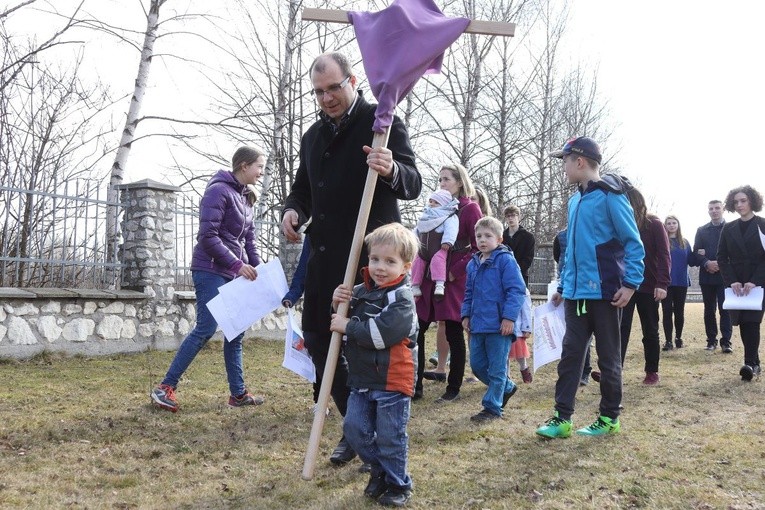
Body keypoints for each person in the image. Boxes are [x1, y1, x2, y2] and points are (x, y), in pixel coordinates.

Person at [281, 51, 421, 466]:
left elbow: (412, 183)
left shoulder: (382, 122)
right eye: (319, 92)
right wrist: (293, 211)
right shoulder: (312, 137)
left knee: (364, 348)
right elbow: (302, 190)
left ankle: (374, 432)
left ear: (353, 81)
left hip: (369, 262)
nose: (326, 98)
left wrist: (391, 167)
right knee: (322, 341)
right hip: (325, 260)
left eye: (334, 88)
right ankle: (352, 427)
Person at [535, 136, 644, 439]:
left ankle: (609, 417)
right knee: (571, 355)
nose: (564, 168)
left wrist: (631, 285)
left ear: (579, 162)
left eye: (565, 162)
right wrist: (564, 285)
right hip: (575, 296)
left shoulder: (611, 197)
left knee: (608, 359)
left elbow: (633, 243)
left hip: (607, 295)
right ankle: (561, 417)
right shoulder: (574, 201)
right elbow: (570, 249)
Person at [151, 146, 267, 413]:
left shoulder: (246, 197)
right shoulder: (218, 191)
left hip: (232, 273)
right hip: (210, 270)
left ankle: (237, 395)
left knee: (235, 332)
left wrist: (261, 271)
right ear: (244, 166)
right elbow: (208, 237)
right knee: (205, 328)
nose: (261, 173)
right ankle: (165, 388)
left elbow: (249, 240)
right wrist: (238, 265)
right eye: (259, 167)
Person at [329, 223, 419, 507]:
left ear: (404, 267)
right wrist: (337, 304)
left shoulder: (402, 299)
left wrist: (347, 326)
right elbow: (340, 318)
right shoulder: (359, 291)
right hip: (362, 378)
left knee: (391, 437)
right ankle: (379, 470)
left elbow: (381, 335)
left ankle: (398, 484)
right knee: (354, 429)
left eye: (390, 262)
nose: (380, 267)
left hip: (393, 379)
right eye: (375, 259)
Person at [416, 163, 482, 403]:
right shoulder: (436, 206)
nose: (442, 183)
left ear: (460, 181)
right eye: (440, 179)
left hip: (453, 279)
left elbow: (478, 247)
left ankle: (453, 388)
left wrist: (455, 271)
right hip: (428, 276)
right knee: (418, 328)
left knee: (454, 331)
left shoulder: (470, 208)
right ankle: (415, 385)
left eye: (447, 179)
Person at [462, 216, 526, 422]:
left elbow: (516, 290)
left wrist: (509, 318)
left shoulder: (506, 260)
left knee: (498, 369)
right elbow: (468, 292)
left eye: (488, 236)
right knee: (478, 365)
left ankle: (492, 408)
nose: (482, 239)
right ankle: (506, 387)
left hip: (500, 326)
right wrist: (466, 315)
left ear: (499, 240)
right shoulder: (472, 264)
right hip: (478, 324)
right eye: (479, 235)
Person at [619, 186, 670, 385]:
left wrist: (662, 283)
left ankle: (652, 371)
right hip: (624, 286)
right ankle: (615, 370)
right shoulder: (620, 224)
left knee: (650, 329)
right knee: (620, 329)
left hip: (649, 286)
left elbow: (664, 255)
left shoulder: (654, 224)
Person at [717, 185, 765, 381]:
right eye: (736, 201)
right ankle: (756, 362)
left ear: (752, 201)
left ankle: (749, 364)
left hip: (758, 282)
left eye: (743, 200)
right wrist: (732, 281)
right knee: (743, 323)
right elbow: (721, 257)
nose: (739, 205)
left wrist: (755, 281)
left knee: (752, 322)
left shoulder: (763, 224)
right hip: (736, 285)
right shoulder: (728, 228)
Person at [554, 227, 592, 386]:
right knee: (569, 334)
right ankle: (569, 373)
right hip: (567, 288)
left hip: (586, 290)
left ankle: (584, 371)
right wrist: (561, 287)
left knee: (583, 334)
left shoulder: (590, 232)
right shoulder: (561, 236)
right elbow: (560, 258)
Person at [694, 200, 733, 352]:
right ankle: (711, 341)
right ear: (708, 211)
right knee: (709, 310)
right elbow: (697, 252)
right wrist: (706, 263)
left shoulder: (731, 229)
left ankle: (726, 342)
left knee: (726, 309)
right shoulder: (701, 230)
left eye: (717, 208)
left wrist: (719, 264)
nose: (714, 211)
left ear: (723, 209)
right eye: (711, 208)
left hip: (726, 277)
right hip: (707, 277)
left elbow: (735, 252)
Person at [411, 189, 459, 299]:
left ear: (444, 204)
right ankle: (415, 285)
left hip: (438, 248)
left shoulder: (449, 217)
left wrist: (448, 241)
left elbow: (451, 229)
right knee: (417, 263)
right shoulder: (425, 216)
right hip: (422, 248)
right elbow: (417, 229)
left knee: (438, 261)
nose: (432, 204)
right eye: (431, 201)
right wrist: (412, 239)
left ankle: (440, 284)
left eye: (436, 202)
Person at [661, 215, 696, 350]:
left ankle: (678, 338)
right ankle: (668, 341)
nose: (671, 225)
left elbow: (692, 261)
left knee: (679, 312)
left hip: (681, 282)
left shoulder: (685, 243)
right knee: (667, 311)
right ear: (665, 226)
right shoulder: (662, 241)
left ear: (678, 224)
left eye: (674, 223)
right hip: (666, 282)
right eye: (668, 223)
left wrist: (700, 254)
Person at [502, 204, 536, 287]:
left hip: (520, 275)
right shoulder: (501, 237)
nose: (510, 218)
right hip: (503, 275)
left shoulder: (528, 237)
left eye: (513, 215)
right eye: (507, 216)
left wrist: (515, 270)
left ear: (519, 217)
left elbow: (528, 259)